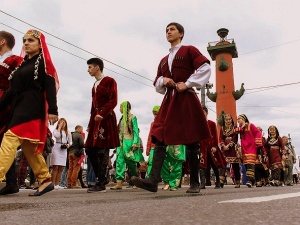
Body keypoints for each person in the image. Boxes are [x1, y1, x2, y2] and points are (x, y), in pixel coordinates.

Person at [131, 22, 211, 193]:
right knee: (159, 135)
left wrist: (188, 83)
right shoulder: (163, 61)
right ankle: (153, 180)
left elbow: (205, 67)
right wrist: (164, 80)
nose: (168, 32)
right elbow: (158, 84)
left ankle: (195, 183)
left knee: (191, 139)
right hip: (169, 100)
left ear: (181, 34)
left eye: (172, 29)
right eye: (166, 30)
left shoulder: (189, 50)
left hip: (186, 98)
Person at [0, 29, 59, 196]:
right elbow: (12, 91)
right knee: (28, 146)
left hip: (33, 107)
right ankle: (45, 179)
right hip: (19, 107)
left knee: (9, 139)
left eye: (31, 40)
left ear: (40, 45)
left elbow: (50, 85)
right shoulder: (22, 65)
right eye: (24, 40)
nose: (26, 43)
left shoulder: (44, 63)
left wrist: (53, 110)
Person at [84, 57, 119, 193]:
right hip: (95, 119)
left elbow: (113, 100)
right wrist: (90, 123)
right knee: (89, 149)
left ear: (97, 67)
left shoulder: (109, 81)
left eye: (90, 67)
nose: (88, 70)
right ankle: (102, 177)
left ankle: (101, 182)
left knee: (102, 149)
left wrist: (103, 113)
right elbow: (93, 106)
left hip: (105, 117)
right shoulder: (94, 85)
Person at [0, 30, 23, 195]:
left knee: (3, 141)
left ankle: (12, 182)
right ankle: (12, 182)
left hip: (5, 102)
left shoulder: (15, 60)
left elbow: (21, 83)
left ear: (2, 41)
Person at [110, 101, 143, 190]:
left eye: (121, 107)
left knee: (131, 163)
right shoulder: (121, 119)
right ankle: (119, 183)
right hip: (120, 143)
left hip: (129, 142)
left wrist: (136, 142)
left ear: (125, 107)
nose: (119, 109)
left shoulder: (133, 117)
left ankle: (137, 181)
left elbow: (136, 131)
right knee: (119, 162)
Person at [200, 107, 227, 189]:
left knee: (214, 164)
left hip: (211, 147)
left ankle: (218, 181)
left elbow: (215, 135)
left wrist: (215, 146)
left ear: (206, 113)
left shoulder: (211, 123)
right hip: (202, 147)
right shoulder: (197, 124)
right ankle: (203, 183)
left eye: (203, 111)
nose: (202, 113)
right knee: (202, 165)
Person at [234, 114, 262, 188]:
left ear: (243, 119)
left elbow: (258, 133)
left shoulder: (251, 125)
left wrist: (258, 144)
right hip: (244, 149)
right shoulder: (241, 128)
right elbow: (234, 131)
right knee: (246, 165)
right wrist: (242, 126)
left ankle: (250, 180)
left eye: (239, 119)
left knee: (250, 164)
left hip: (251, 148)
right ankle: (252, 180)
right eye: (237, 119)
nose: (238, 121)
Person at [218, 113, 241, 188]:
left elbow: (235, 138)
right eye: (226, 120)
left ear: (231, 120)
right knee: (222, 164)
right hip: (224, 148)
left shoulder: (234, 127)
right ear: (224, 121)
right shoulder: (222, 128)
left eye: (229, 119)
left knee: (235, 165)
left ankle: (237, 181)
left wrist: (229, 145)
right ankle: (221, 181)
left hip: (232, 148)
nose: (228, 121)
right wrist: (223, 146)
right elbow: (221, 138)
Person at [50, 118, 71, 190]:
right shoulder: (56, 130)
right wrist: (59, 127)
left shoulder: (68, 132)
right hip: (57, 148)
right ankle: (52, 184)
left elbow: (70, 142)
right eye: (61, 123)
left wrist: (68, 145)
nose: (63, 124)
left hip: (64, 150)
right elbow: (57, 136)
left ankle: (57, 184)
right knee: (55, 167)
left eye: (64, 123)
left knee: (61, 168)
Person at [145, 106, 160, 178]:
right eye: (154, 114)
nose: (155, 115)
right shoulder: (152, 124)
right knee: (150, 162)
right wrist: (148, 149)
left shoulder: (163, 123)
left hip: (161, 147)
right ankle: (149, 178)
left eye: (157, 113)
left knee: (163, 164)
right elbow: (150, 136)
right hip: (153, 147)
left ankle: (167, 181)